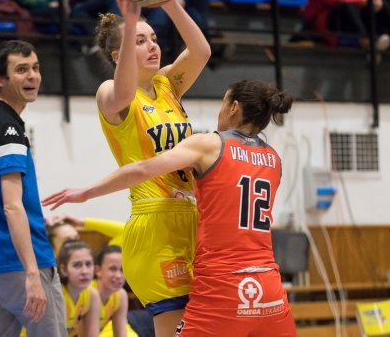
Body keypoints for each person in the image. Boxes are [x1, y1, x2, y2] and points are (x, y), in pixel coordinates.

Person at [44, 79, 297, 337]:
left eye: (222, 103)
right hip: (269, 286)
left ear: (233, 107)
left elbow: (143, 169)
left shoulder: (209, 144)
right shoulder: (273, 159)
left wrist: (87, 192)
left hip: (224, 285)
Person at [57, 0, 211, 335]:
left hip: (192, 219)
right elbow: (124, 89)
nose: (152, 46)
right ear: (119, 55)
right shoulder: (110, 93)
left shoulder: (166, 85)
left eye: (153, 38)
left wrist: (170, 3)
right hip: (154, 223)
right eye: (140, 41)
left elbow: (201, 51)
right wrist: (128, 24)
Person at [0, 39, 66, 337]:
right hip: (22, 264)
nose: (32, 76)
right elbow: (11, 205)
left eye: (35, 67)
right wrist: (33, 273)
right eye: (21, 70)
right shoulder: (5, 126)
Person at [57, 240, 101, 337]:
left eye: (89, 264)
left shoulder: (92, 295)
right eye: (77, 265)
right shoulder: (56, 295)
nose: (85, 271)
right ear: (63, 270)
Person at [92, 245, 135, 337]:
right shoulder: (88, 293)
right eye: (113, 269)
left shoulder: (120, 295)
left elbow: (120, 334)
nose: (118, 275)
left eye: (122, 270)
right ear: (98, 270)